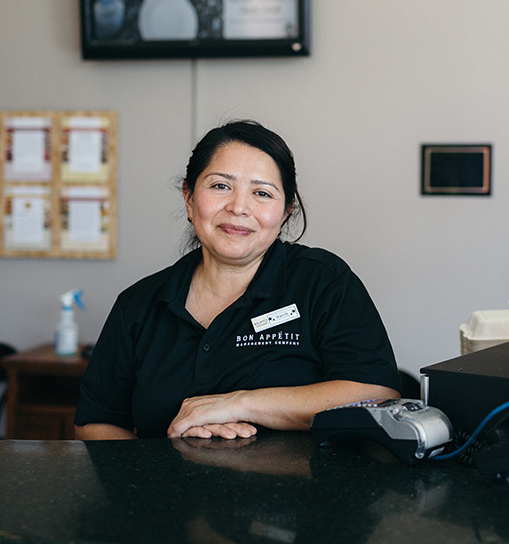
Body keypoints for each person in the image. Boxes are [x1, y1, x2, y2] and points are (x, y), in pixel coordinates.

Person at [74, 120, 401, 440]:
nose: (239, 207)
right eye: (220, 186)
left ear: (286, 210)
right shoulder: (139, 304)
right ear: (189, 198)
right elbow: (97, 420)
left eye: (261, 193)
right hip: (170, 494)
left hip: (301, 493)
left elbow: (376, 395)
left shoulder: (323, 281)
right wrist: (156, 479)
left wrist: (235, 404)